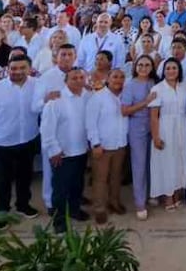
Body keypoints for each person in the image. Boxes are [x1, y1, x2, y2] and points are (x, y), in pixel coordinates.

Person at [0, 54, 41, 219]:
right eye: (13, 68)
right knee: (2, 180)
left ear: (29, 69)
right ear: (7, 69)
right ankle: (2, 212)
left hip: (27, 139)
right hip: (2, 143)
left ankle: (23, 205)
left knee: (25, 177)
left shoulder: (37, 86)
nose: (17, 71)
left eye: (22, 68)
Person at [40, 67, 90, 233]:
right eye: (74, 78)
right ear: (66, 81)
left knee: (77, 185)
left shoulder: (87, 96)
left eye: (81, 77)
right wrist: (54, 150)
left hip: (81, 149)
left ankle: (74, 210)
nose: (78, 81)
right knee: (60, 189)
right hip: (62, 153)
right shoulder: (56, 101)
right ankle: (59, 220)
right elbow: (46, 128)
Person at [86, 68, 129, 223]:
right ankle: (99, 208)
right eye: (115, 76)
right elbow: (90, 123)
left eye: (122, 77)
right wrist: (95, 143)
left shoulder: (125, 97)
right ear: (108, 79)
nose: (118, 80)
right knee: (100, 179)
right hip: (103, 146)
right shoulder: (98, 97)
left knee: (116, 176)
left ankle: (114, 202)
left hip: (120, 144)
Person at [148, 57, 186, 210]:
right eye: (168, 68)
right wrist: (156, 137)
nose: (171, 71)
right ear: (163, 71)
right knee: (166, 162)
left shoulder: (184, 87)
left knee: (179, 160)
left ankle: (177, 192)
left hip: (182, 126)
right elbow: (153, 116)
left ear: (179, 70)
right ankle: (167, 195)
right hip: (165, 127)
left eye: (174, 68)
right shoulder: (157, 89)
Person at [121, 54, 158, 220]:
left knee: (153, 161)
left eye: (147, 65)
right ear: (136, 67)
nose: (143, 68)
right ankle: (140, 202)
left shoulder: (154, 83)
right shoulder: (130, 85)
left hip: (154, 124)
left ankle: (152, 193)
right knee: (139, 164)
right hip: (137, 126)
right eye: (140, 65)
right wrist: (145, 102)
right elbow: (125, 110)